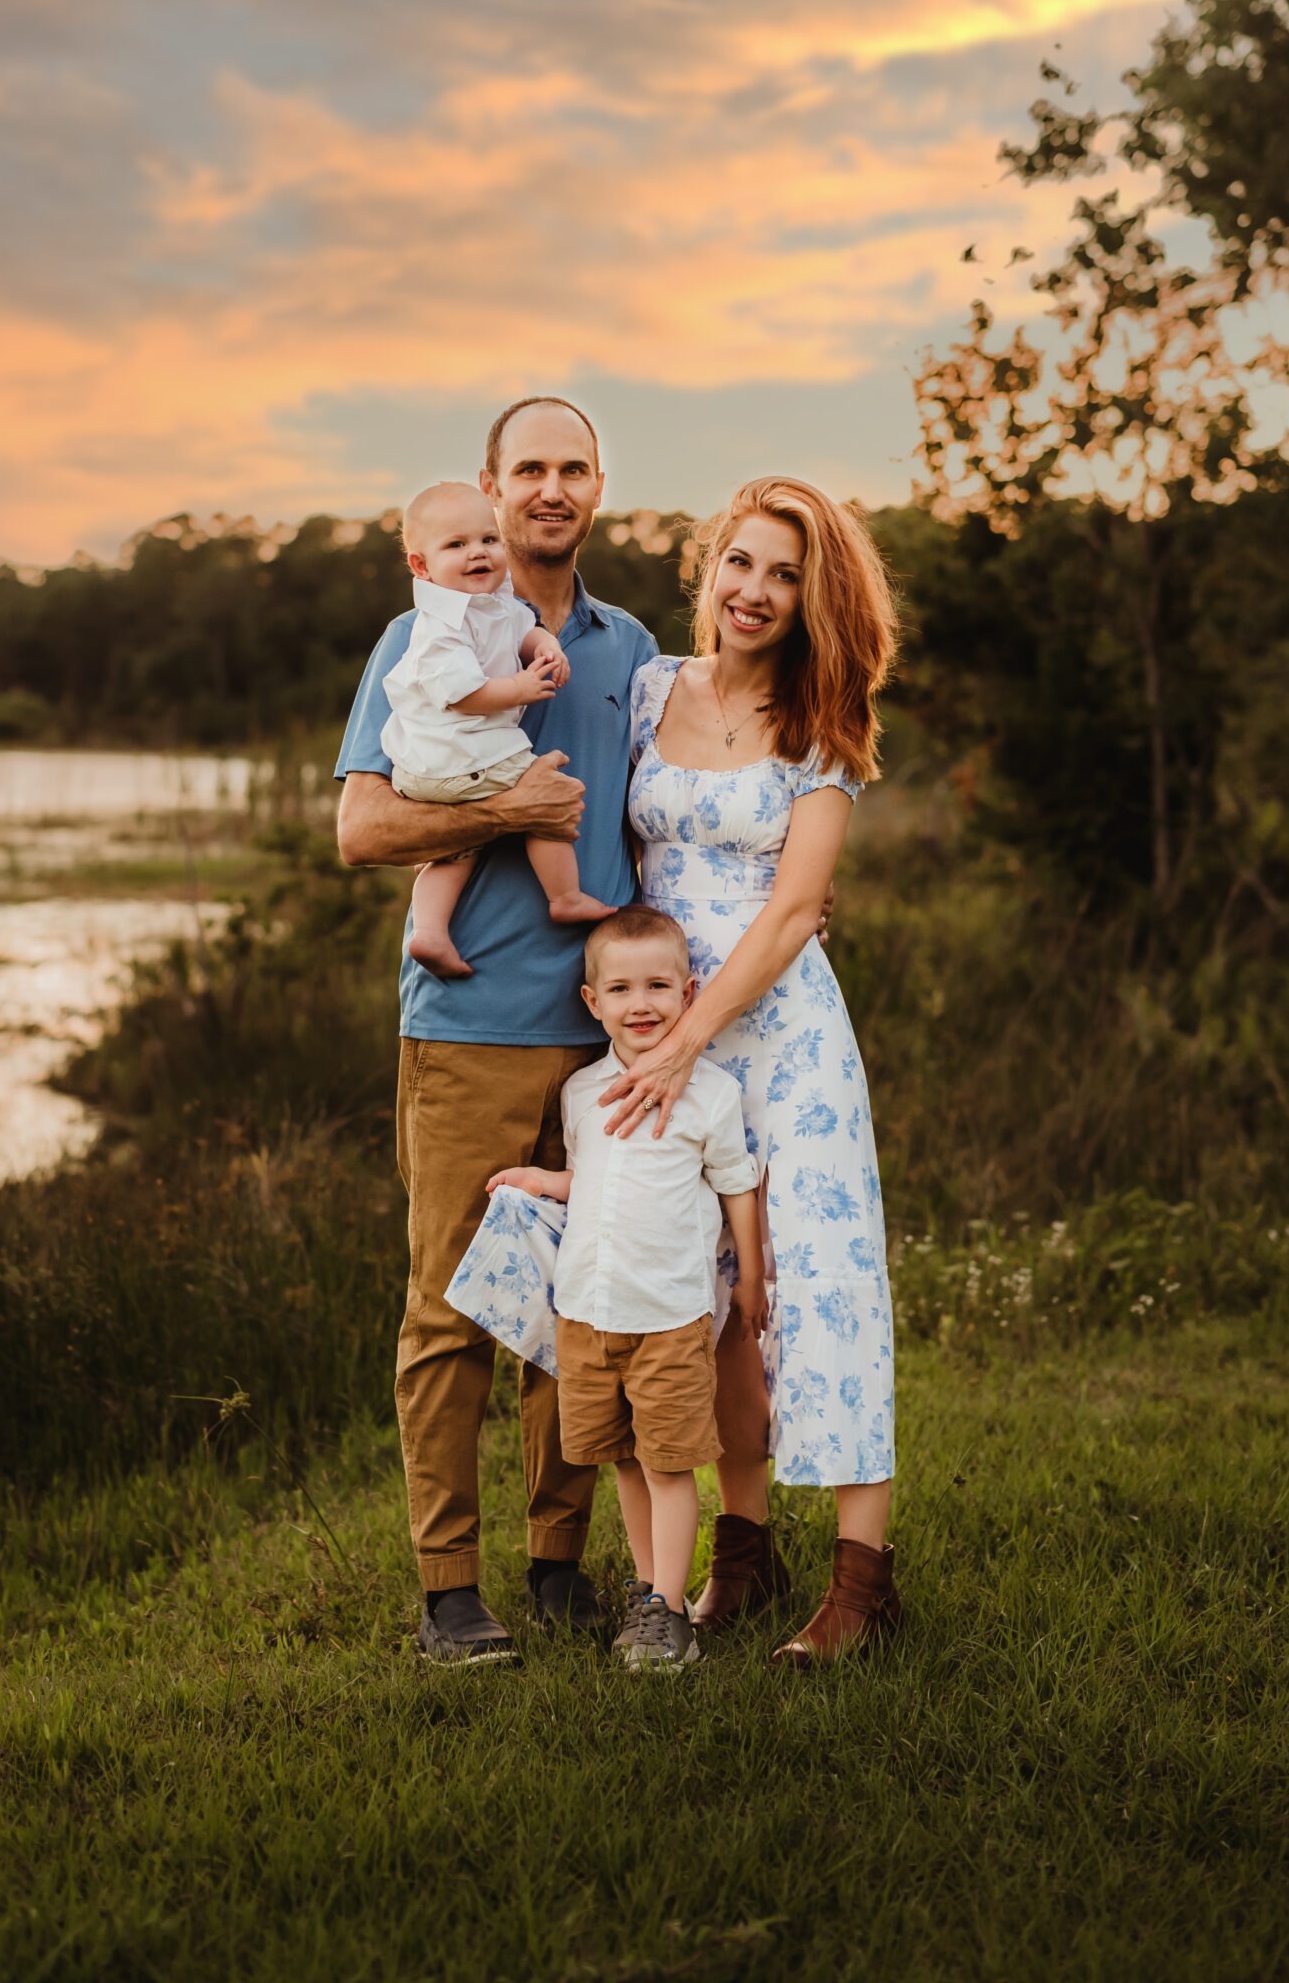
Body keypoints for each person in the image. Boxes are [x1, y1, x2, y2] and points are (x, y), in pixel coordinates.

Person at [335, 397, 658, 1664]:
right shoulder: (424, 637)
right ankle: (446, 1590)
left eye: (572, 467)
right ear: (490, 484)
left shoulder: (629, 646)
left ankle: (563, 1563)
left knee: (580, 1309)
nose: (549, 488)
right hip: (469, 1023)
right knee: (452, 1311)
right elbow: (361, 830)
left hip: (605, 1041)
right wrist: (501, 809)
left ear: (596, 488)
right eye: (527, 467)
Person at [604, 476, 901, 1667]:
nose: (756, 592)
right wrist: (650, 1027)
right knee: (708, 1293)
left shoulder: (821, 720)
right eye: (742, 563)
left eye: (786, 575)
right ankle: (741, 1550)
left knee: (816, 1284)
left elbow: (791, 915)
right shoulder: (638, 694)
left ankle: (861, 1582)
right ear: (707, 564)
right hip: (664, 1030)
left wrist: (689, 1037)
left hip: (784, 1042)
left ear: (812, 599)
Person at [472, 907, 766, 1671]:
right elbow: (600, 1180)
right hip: (589, 1319)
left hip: (667, 1317)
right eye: (622, 988)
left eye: (660, 985)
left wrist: (753, 1280)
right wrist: (544, 1181)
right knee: (628, 1460)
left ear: (689, 991)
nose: (642, 1003)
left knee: (668, 1463)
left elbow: (737, 1187)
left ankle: (670, 1613)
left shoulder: (709, 1095)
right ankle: (648, 1592)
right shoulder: (581, 1092)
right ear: (591, 1001)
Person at [378, 480, 616, 980]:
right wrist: (519, 687)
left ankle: (429, 933)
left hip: (450, 764)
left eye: (487, 540)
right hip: (453, 756)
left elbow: (518, 628)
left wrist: (543, 644)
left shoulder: (494, 603)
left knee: (455, 853)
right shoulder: (436, 628)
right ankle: (564, 896)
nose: (477, 554)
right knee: (547, 798)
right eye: (456, 545)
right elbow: (465, 693)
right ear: (421, 566)